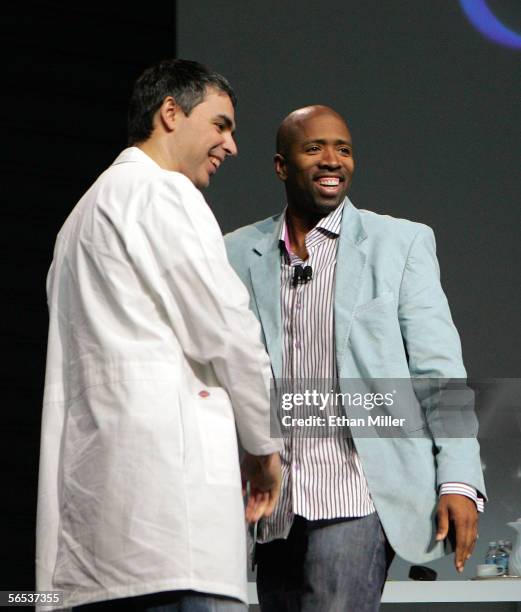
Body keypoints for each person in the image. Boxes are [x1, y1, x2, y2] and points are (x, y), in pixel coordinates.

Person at [36, 59, 282, 611]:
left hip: (99, 543)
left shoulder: (76, 221)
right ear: (170, 113)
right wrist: (265, 446)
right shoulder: (163, 193)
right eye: (221, 125)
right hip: (172, 541)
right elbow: (227, 329)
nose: (231, 145)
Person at [225, 105, 486, 611]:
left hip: (357, 494)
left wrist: (459, 479)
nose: (332, 160)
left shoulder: (400, 243)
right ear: (282, 166)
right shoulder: (237, 252)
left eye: (343, 149)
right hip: (274, 503)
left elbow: (439, 371)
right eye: (314, 147)